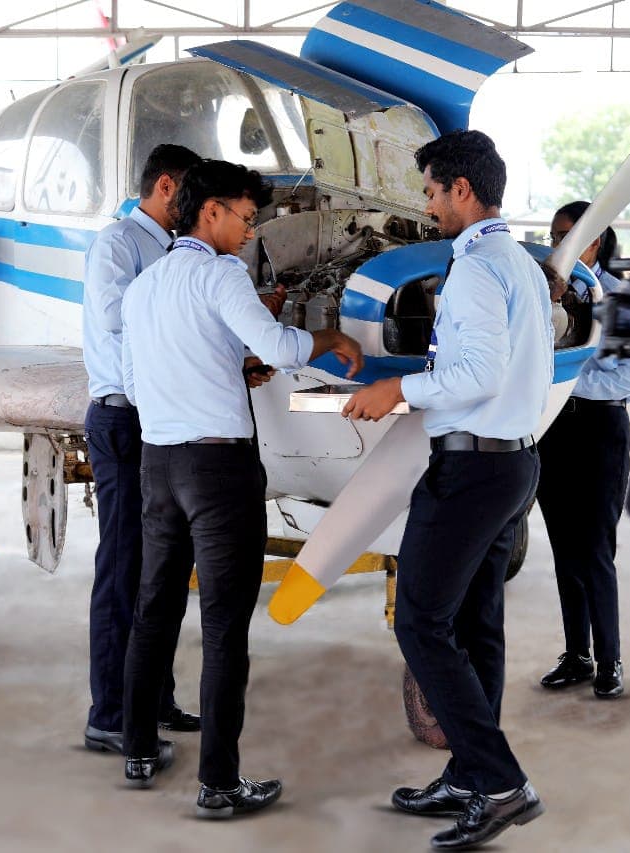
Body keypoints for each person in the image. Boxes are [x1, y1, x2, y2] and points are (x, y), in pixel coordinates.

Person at [120, 158, 363, 817]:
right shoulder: (219, 273)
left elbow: (142, 381)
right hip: (217, 471)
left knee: (154, 607)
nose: (249, 235)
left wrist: (227, 370)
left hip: (158, 462)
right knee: (225, 625)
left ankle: (138, 745)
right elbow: (279, 349)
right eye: (246, 219)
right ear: (210, 212)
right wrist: (325, 334)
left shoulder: (144, 286)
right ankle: (218, 783)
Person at [344, 130, 550, 850]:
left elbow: (474, 376)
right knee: (472, 625)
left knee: (420, 622)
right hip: (511, 462)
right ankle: (469, 773)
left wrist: (396, 387)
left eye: (431, 191)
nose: (428, 206)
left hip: (471, 469)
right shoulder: (521, 264)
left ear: (461, 189)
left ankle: (499, 783)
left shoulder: (472, 270)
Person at [81, 143, 204, 754]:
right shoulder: (119, 245)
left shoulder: (167, 250)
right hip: (123, 421)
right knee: (125, 569)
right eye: (190, 195)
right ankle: (109, 713)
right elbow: (112, 316)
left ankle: (154, 699)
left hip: (160, 422)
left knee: (163, 572)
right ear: (164, 187)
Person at [536, 201, 627, 699]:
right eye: (553, 236)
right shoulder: (541, 295)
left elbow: (626, 375)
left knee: (595, 551)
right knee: (565, 549)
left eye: (567, 235)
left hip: (600, 428)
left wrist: (568, 372)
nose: (557, 246)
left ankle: (610, 660)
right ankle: (578, 655)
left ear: (594, 240)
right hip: (554, 429)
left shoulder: (619, 299)